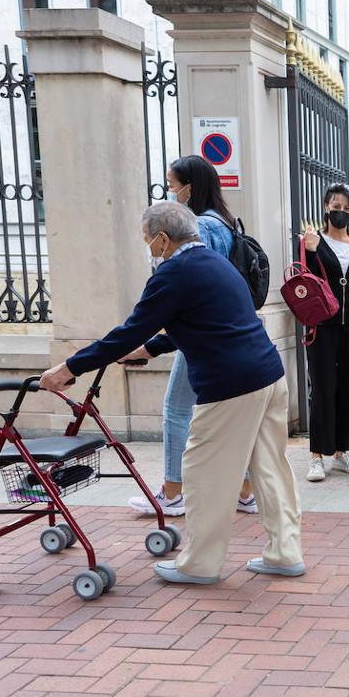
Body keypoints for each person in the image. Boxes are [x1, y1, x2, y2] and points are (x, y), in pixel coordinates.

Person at [40, 202, 304, 584]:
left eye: (148, 241)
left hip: (230, 386)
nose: (148, 248)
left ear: (164, 239)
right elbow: (204, 321)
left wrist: (69, 368)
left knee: (203, 473)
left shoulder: (174, 273)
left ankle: (199, 564)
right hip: (268, 375)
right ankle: (285, 553)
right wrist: (148, 349)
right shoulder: (217, 263)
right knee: (270, 468)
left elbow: (131, 330)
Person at [127, 156, 257, 518]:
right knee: (227, 419)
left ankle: (173, 491)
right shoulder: (224, 220)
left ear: (190, 187)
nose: (170, 192)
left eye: (172, 185)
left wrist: (153, 345)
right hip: (223, 338)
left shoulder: (203, 227)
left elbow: (195, 293)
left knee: (176, 409)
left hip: (201, 339)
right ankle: (245, 491)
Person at [303, 183, 349, 482]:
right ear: (325, 207)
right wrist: (308, 250)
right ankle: (317, 455)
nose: (340, 211)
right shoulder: (313, 241)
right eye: (335, 206)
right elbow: (304, 280)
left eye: (346, 207)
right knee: (323, 387)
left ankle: (344, 451)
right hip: (321, 326)